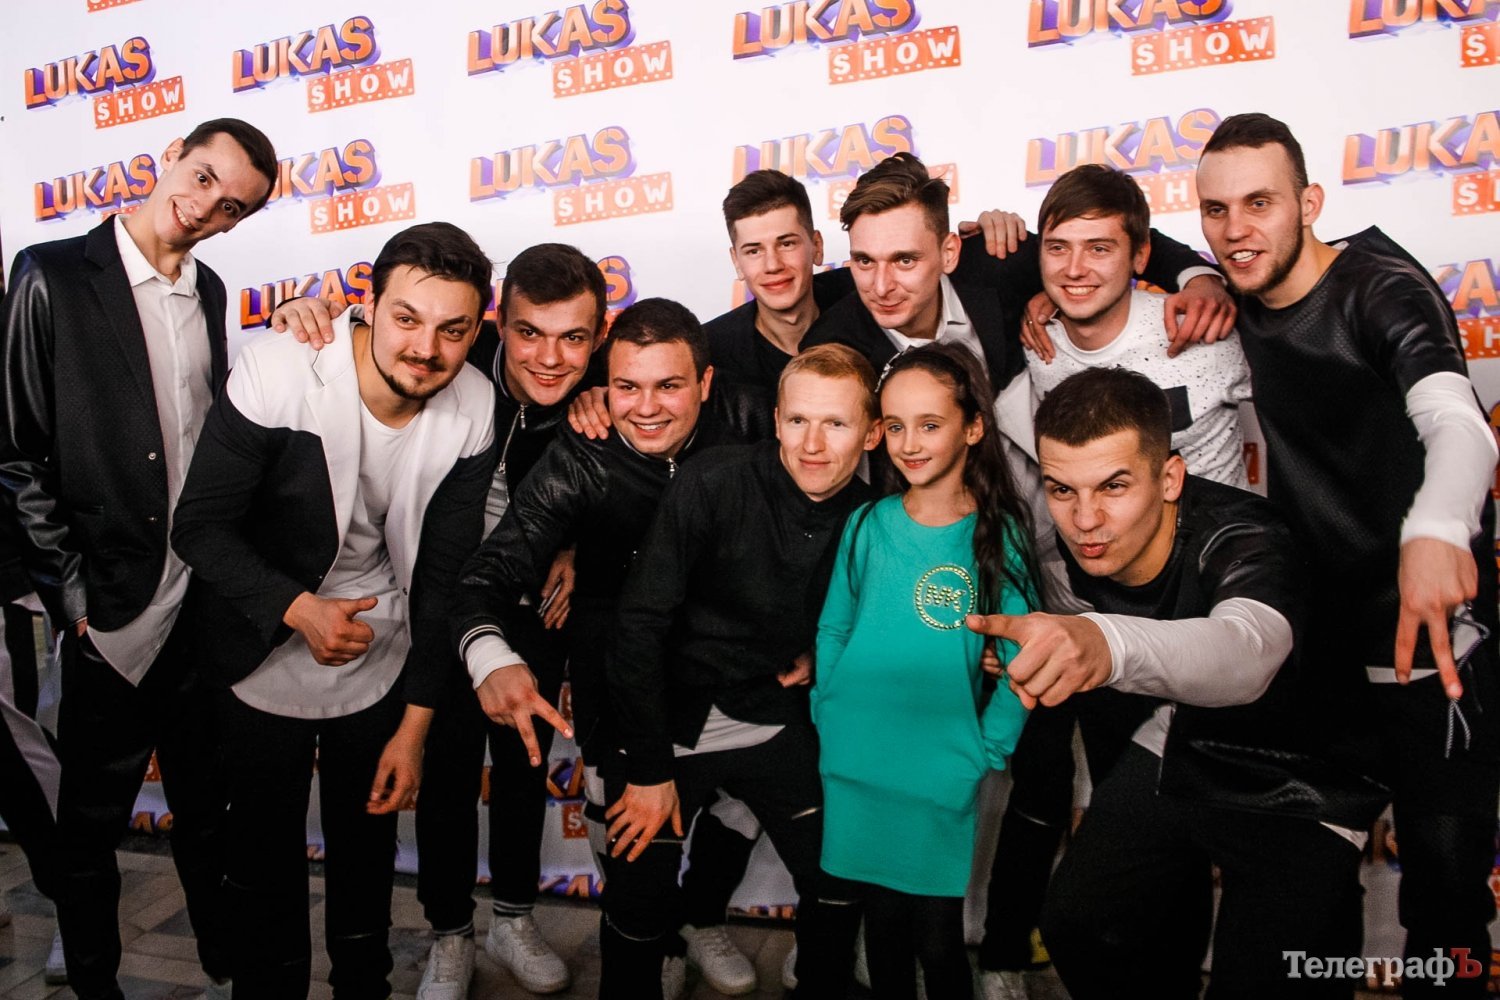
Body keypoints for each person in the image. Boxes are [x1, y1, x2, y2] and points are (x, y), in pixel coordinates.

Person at [1194, 112, 1499, 998]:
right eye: (1216, 210)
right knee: (1308, 891)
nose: (1236, 230)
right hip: (1321, 652)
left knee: (1446, 902)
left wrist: (1436, 529)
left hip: (1433, 645)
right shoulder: (1232, 281)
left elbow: (1458, 423)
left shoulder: (1382, 290)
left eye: (1260, 203)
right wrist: (1190, 273)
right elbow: (1142, 247)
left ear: (1311, 203)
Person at [971, 367, 1385, 998]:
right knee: (1080, 926)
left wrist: (1103, 644)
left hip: (1308, 773)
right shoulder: (1067, 553)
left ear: (1170, 478)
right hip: (1185, 735)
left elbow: (1247, 654)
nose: (1085, 519)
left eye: (1113, 486)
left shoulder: (1248, 537)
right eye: (1061, 489)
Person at [271, 245, 609, 997]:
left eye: (574, 339)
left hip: (535, 610)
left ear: (599, 335)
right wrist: (303, 312)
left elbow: (638, 481)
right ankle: (449, 932)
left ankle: (514, 918)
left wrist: (579, 544)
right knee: (449, 772)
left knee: (523, 767)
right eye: (529, 333)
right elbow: (374, 332)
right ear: (496, 324)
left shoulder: (606, 389)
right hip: (438, 603)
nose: (550, 358)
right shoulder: (448, 355)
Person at [171, 222, 497, 999]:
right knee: (261, 861)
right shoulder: (281, 368)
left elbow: (442, 581)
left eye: (453, 330)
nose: (427, 348)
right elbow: (199, 528)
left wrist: (415, 728)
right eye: (407, 318)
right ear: (368, 307)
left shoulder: (475, 404)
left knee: (366, 855)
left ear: (476, 330)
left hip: (382, 651)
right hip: (260, 638)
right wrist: (298, 610)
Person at [0, 117, 277, 1000]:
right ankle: (94, 984)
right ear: (168, 158)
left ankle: (225, 962)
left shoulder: (211, 289)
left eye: (232, 206)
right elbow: (16, 456)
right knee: (88, 828)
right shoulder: (49, 274)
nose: (206, 207)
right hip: (110, 608)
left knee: (207, 810)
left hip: (200, 601)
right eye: (202, 178)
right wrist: (74, 598)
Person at [976, 163, 1254, 999]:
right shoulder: (1038, 349)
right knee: (1146, 862)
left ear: (1140, 256)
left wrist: (1202, 276)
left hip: (1217, 622)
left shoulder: (1204, 330)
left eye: (1100, 248)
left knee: (1237, 847)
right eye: (1058, 249)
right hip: (1103, 630)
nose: (1075, 268)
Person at [453, 297, 768, 995]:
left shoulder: (761, 421)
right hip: (620, 672)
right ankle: (653, 935)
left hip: (739, 672)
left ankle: (699, 916)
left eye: (669, 386)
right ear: (605, 383)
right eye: (627, 386)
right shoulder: (581, 453)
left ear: (706, 382)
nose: (645, 408)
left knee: (742, 805)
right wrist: (491, 656)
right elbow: (488, 572)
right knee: (626, 846)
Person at [598, 344, 882, 998]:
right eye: (798, 420)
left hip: (770, 713)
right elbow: (638, 625)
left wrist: (826, 652)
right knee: (639, 897)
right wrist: (649, 770)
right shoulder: (714, 481)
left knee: (840, 880)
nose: (812, 444)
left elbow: (874, 624)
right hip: (668, 717)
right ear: (776, 420)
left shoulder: (872, 518)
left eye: (836, 424)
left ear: (871, 434)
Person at [814, 343, 1036, 1000]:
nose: (909, 444)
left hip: (939, 771)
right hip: (857, 762)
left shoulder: (997, 536)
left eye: (930, 424)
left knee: (938, 942)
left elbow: (1025, 656)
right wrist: (827, 711)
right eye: (896, 425)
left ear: (973, 428)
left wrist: (986, 748)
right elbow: (834, 628)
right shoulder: (866, 523)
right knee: (881, 931)